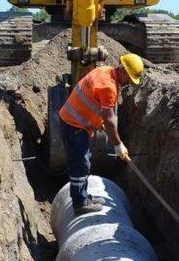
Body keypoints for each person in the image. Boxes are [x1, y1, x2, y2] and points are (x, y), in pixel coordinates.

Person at [59, 54, 144, 215]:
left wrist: (99, 123)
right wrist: (118, 145)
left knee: (85, 161)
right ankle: (79, 203)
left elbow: (93, 102)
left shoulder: (105, 70)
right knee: (80, 164)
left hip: (75, 122)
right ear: (124, 72)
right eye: (130, 80)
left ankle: (84, 196)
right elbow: (110, 119)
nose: (129, 84)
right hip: (74, 125)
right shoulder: (109, 87)